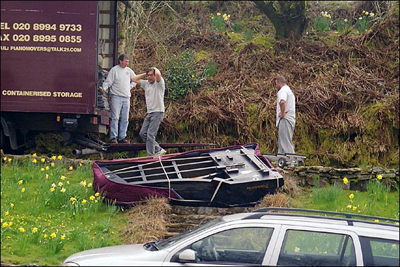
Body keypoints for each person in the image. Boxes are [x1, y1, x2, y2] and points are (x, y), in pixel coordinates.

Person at [99, 54, 136, 144]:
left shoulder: (128, 71)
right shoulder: (114, 70)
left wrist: (130, 86)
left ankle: (122, 137)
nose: (127, 63)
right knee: (115, 117)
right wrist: (104, 88)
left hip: (126, 97)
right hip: (116, 97)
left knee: (125, 118)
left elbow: (135, 79)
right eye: (125, 61)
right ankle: (113, 137)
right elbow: (108, 82)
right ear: (120, 61)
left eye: (128, 61)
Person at [131, 67, 166, 156]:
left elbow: (158, 74)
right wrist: (144, 74)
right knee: (143, 133)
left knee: (150, 134)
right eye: (148, 75)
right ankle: (158, 149)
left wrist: (155, 68)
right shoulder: (146, 84)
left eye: (151, 75)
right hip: (150, 113)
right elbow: (133, 79)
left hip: (158, 111)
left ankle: (151, 154)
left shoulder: (159, 83)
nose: (149, 77)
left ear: (154, 75)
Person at [276, 76, 296, 154]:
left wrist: (282, 113)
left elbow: (282, 102)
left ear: (279, 83)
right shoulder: (289, 90)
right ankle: (281, 157)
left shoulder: (283, 91)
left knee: (286, 142)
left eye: (276, 84)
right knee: (283, 141)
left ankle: (292, 160)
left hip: (285, 119)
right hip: (290, 118)